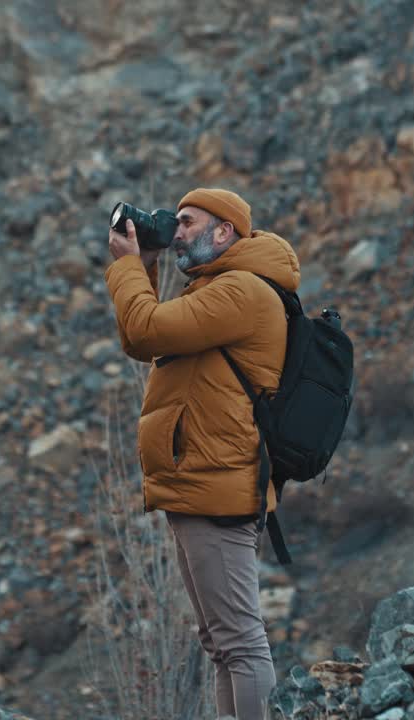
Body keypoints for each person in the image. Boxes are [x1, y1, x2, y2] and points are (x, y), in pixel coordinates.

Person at [103, 188, 301, 719]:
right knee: (221, 645)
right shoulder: (217, 290)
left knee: (239, 643)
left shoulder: (241, 293)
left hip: (219, 489)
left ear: (224, 232)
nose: (178, 231)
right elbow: (140, 336)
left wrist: (127, 267)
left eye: (188, 222)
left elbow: (147, 331)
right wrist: (139, 269)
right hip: (200, 485)